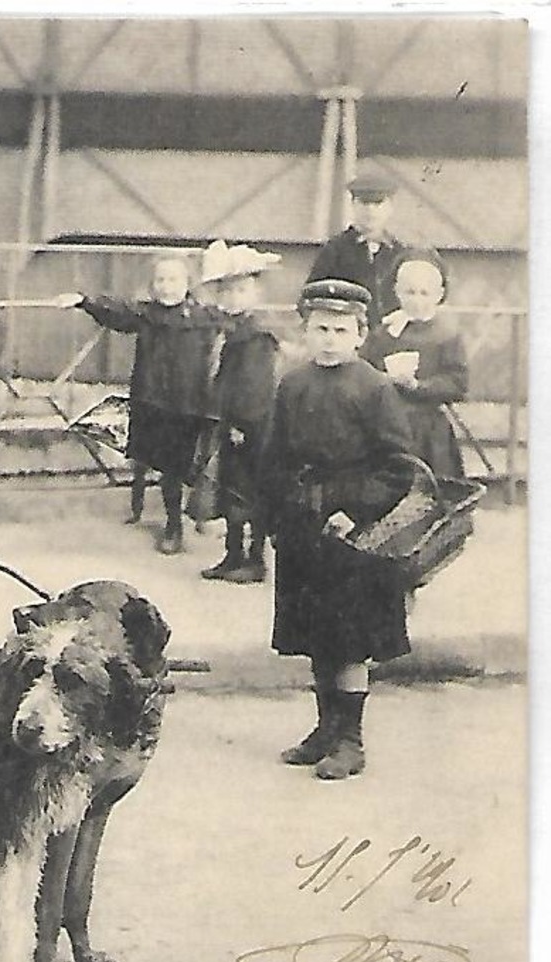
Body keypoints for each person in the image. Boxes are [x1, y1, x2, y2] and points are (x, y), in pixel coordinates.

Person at [263, 279, 417, 781]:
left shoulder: (373, 388)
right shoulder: (292, 383)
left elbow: (398, 468)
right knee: (315, 634)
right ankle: (325, 730)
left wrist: (356, 509)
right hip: (303, 527)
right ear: (305, 331)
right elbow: (275, 455)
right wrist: (275, 516)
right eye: (319, 328)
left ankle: (351, 739)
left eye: (340, 329)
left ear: (359, 335)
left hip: (355, 536)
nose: (329, 338)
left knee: (350, 640)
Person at [59, 255, 224, 554]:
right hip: (153, 401)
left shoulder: (205, 318)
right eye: (160, 280)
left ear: (188, 284)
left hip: (191, 403)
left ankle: (191, 518)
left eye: (174, 279)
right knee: (157, 463)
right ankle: (164, 520)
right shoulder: (147, 314)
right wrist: (85, 301)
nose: (166, 287)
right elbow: (117, 311)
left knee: (189, 465)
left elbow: (230, 337)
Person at [197, 241, 281, 584]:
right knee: (231, 489)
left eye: (242, 290)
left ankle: (254, 558)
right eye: (227, 291)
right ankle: (232, 555)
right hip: (231, 421)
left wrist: (241, 423)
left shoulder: (256, 335)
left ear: (256, 293)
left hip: (251, 426)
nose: (233, 297)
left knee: (249, 491)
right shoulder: (230, 329)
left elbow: (254, 385)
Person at [364, 254, 468, 481]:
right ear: (397, 291)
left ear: (439, 295)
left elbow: (458, 383)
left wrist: (419, 386)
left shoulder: (446, 334)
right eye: (410, 292)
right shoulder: (385, 333)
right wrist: (382, 379)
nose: (417, 300)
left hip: (430, 429)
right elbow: (364, 370)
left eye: (424, 293)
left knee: (435, 488)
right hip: (388, 424)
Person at [307, 166, 408, 328]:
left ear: (390, 207)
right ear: (353, 205)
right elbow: (310, 297)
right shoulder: (335, 250)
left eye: (378, 203)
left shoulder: (399, 253)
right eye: (364, 203)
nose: (370, 211)